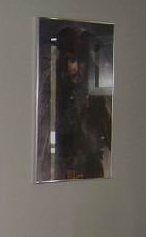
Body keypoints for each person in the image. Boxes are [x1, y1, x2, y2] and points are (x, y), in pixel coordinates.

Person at [37, 26, 111, 181]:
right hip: (60, 172)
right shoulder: (54, 90)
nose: (76, 68)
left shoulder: (97, 93)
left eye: (81, 61)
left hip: (91, 173)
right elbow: (45, 140)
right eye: (71, 60)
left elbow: (109, 134)